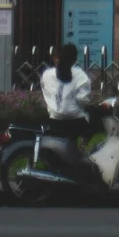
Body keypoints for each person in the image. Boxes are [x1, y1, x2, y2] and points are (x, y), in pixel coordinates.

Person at [40, 43, 96, 172]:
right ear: (75, 59)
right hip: (75, 122)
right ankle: (82, 147)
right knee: (94, 123)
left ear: (58, 57)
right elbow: (83, 100)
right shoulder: (80, 76)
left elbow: (45, 90)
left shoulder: (47, 74)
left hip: (54, 120)